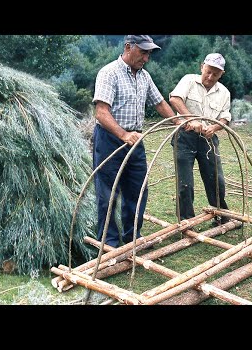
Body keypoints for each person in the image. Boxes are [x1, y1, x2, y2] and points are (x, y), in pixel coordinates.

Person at [92, 35, 182, 248]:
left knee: (138, 189)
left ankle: (133, 236)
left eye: (149, 53)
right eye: (143, 52)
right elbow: (101, 113)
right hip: (110, 139)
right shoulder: (109, 73)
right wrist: (123, 134)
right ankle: (109, 242)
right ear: (128, 47)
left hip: (135, 140)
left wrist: (178, 122)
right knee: (107, 193)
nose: (146, 58)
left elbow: (159, 103)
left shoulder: (144, 76)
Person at [169, 53, 231, 225]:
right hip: (184, 137)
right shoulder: (189, 80)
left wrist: (214, 127)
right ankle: (187, 222)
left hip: (208, 140)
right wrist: (192, 119)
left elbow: (225, 117)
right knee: (185, 183)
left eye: (215, 74)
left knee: (216, 179)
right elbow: (175, 99)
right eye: (208, 71)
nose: (210, 77)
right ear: (202, 66)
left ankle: (220, 215)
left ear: (221, 74)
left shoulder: (224, 92)